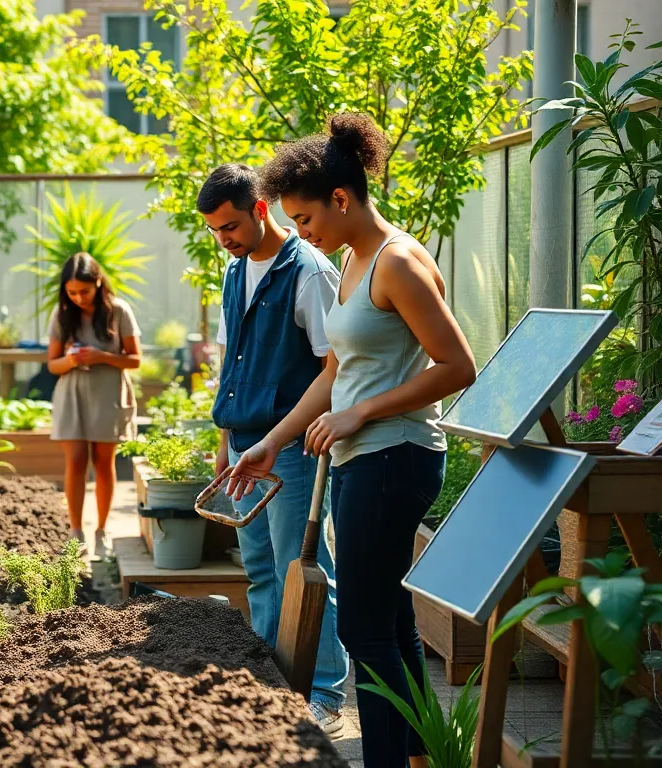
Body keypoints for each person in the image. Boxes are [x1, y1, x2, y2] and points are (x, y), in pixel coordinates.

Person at [227, 114, 476, 768]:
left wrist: (357, 415)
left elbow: (457, 367)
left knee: (363, 630)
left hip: (394, 458)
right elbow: (334, 372)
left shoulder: (398, 262)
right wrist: (273, 442)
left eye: (304, 220)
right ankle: (423, 755)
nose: (300, 234)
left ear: (340, 199)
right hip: (369, 456)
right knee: (391, 622)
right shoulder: (353, 258)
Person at [199, 162, 350, 735]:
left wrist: (280, 439)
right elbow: (230, 362)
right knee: (260, 570)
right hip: (244, 446)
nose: (225, 239)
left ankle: (325, 693)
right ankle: (274, 686)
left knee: (304, 569)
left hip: (289, 451)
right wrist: (225, 444)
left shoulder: (309, 271)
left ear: (261, 209)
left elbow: (332, 370)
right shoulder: (234, 272)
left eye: (231, 225)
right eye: (216, 230)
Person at [46, 253, 142, 560]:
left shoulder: (119, 310)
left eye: (84, 291)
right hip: (72, 394)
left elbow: (135, 359)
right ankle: (76, 531)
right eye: (72, 292)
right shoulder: (62, 315)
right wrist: (72, 359)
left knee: (103, 463)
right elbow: (52, 365)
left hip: (108, 394)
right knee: (74, 461)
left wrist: (101, 356)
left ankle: (102, 531)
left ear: (98, 282)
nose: (78, 298)